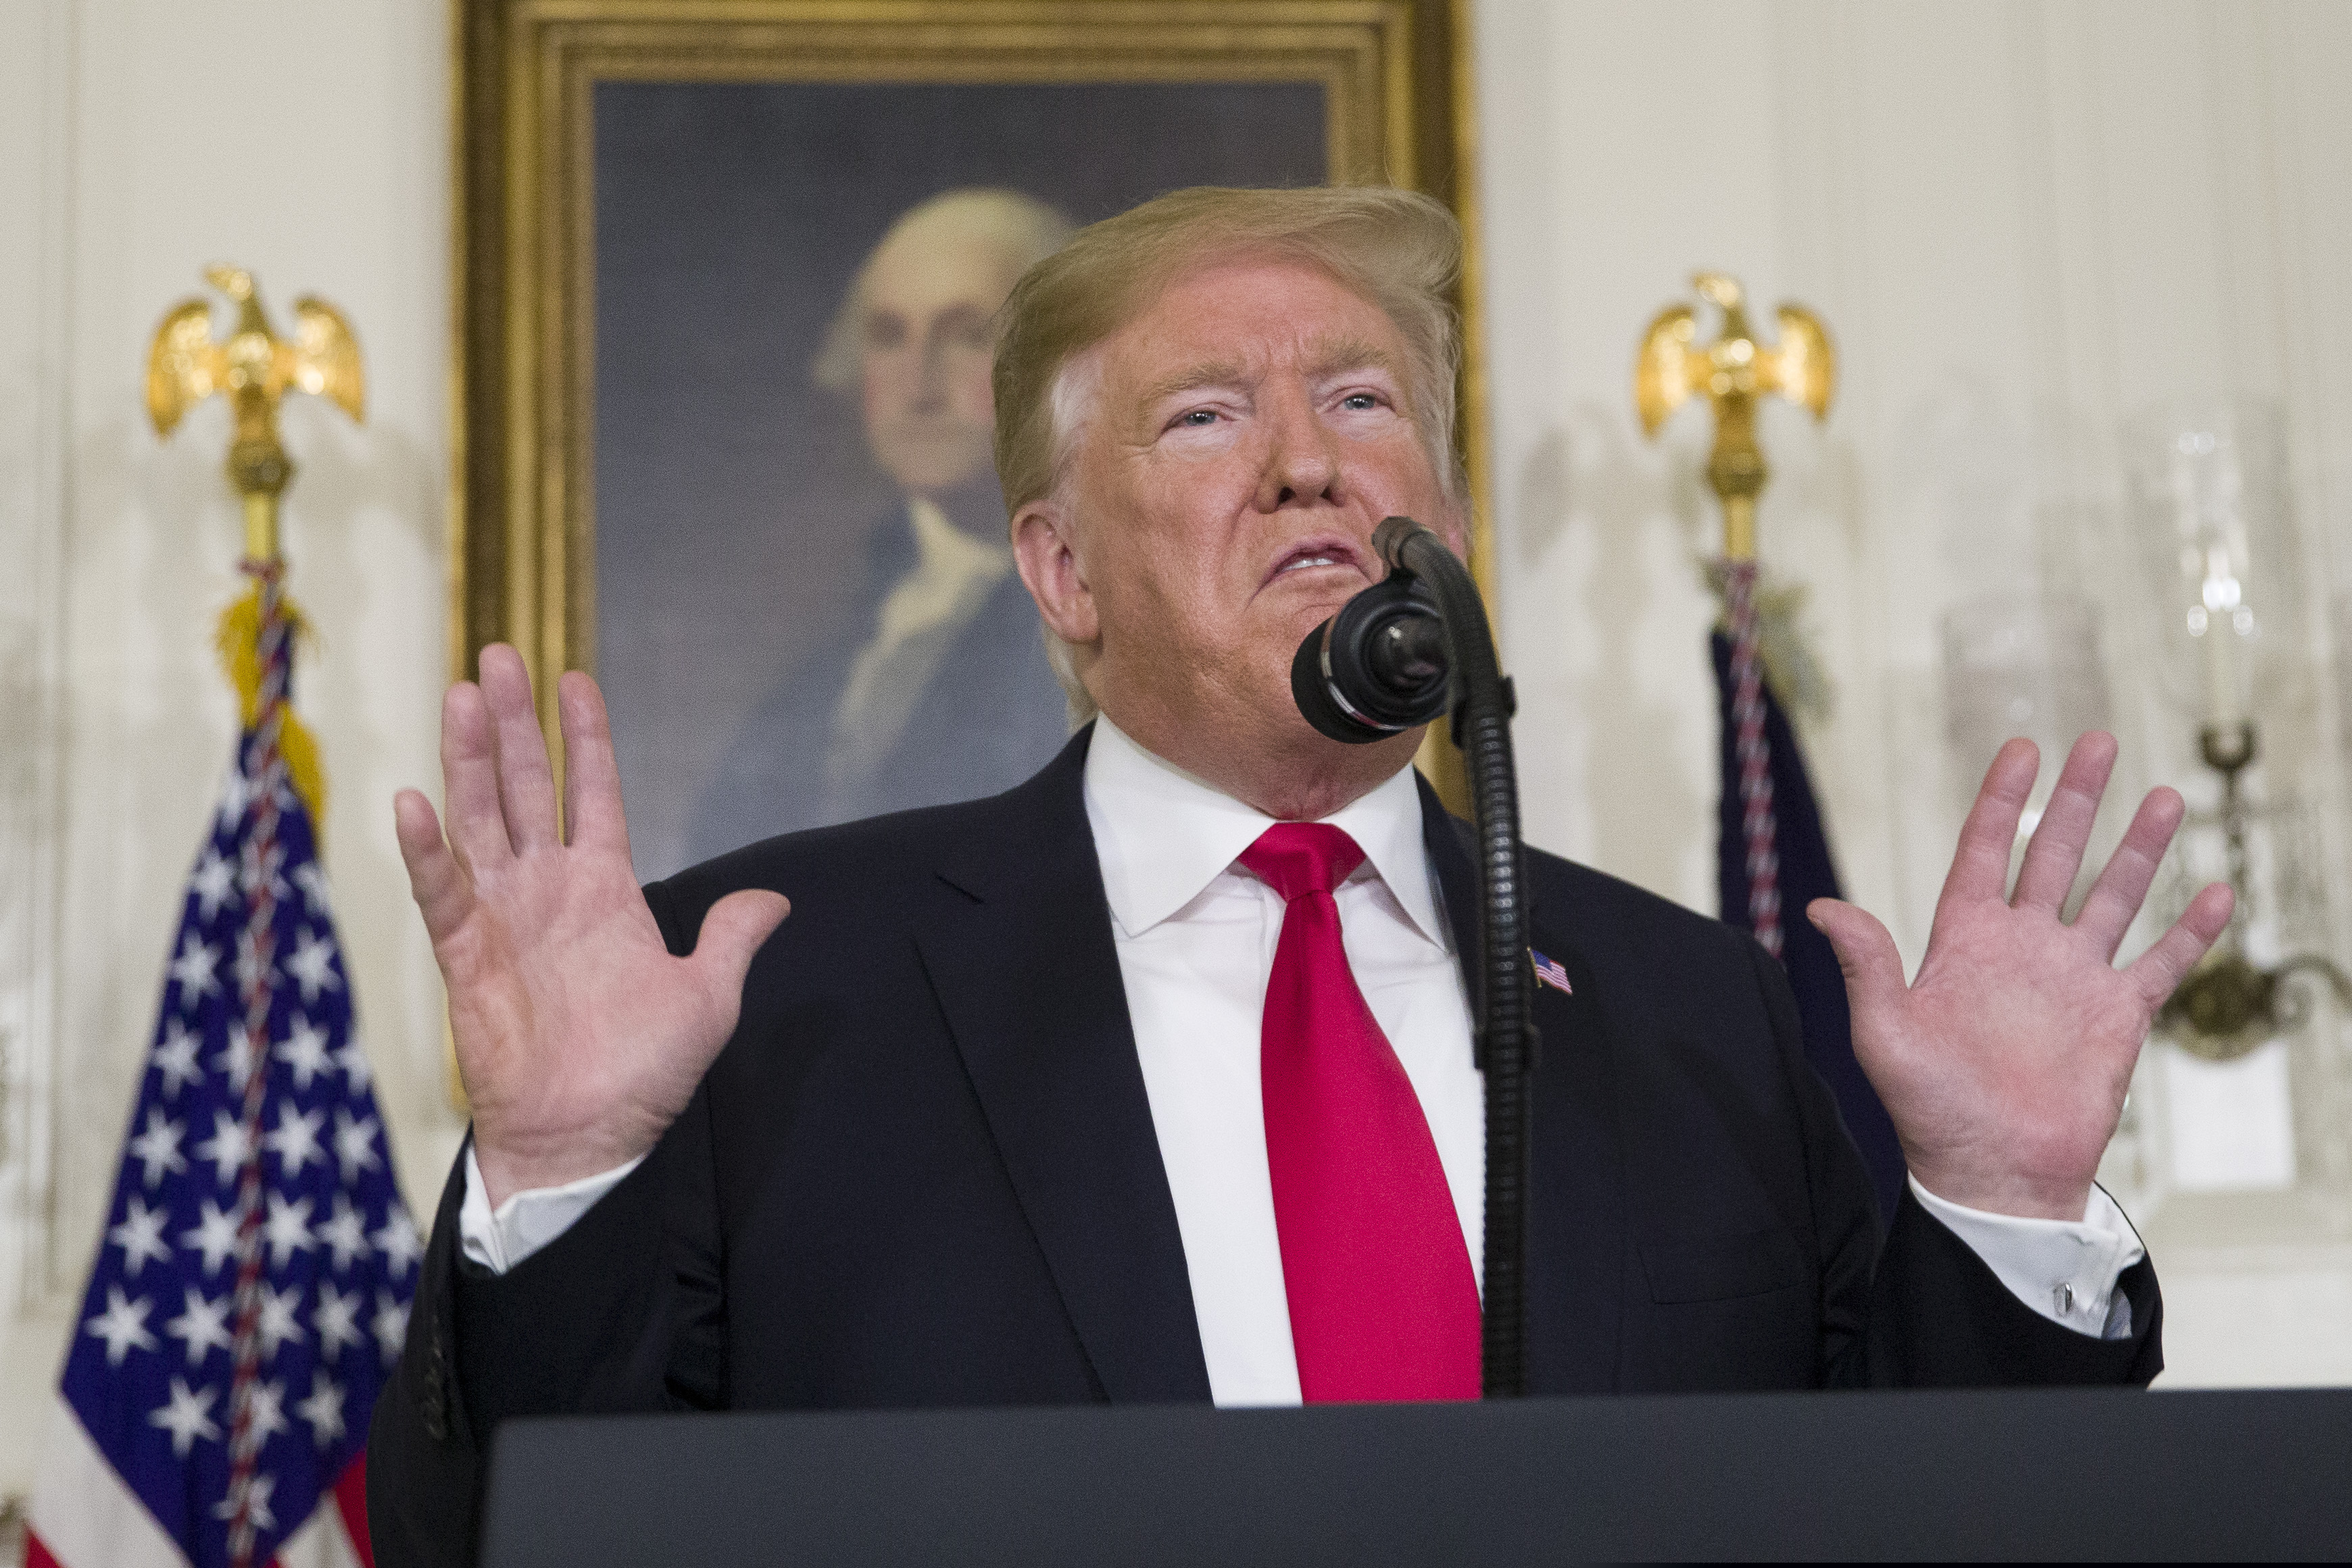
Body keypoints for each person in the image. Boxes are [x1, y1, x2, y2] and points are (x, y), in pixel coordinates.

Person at [369, 187, 2232, 1561]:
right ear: (1060, 574)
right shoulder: (768, 990)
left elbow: (1928, 1524)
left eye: (1360, 405)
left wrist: (1997, 1210)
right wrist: (560, 1183)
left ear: (1444, 524)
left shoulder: (1693, 1015)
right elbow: (504, 1535)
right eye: (1203, 418)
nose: (1305, 471)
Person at [685, 188, 1076, 862]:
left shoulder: (1113, 626)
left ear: (1058, 363)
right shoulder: (840, 630)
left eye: (968, 335)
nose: (919, 385)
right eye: (889, 336)